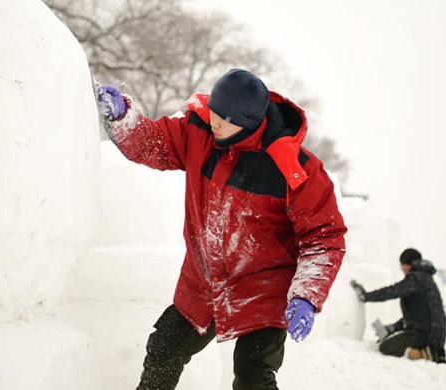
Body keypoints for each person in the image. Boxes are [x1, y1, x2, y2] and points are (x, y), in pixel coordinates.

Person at [95, 68, 347, 390]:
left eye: (223, 119)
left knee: (252, 376)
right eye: (212, 112)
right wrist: (123, 119)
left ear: (249, 122)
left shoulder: (296, 170)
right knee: (163, 349)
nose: (213, 122)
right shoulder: (198, 133)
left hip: (263, 290)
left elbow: (324, 238)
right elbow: (154, 143)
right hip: (204, 283)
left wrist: (306, 296)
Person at [351, 248, 446, 363]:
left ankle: (427, 355)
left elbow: (393, 291)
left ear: (407, 265)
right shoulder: (425, 279)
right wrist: (393, 328)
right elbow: (419, 315)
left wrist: (366, 296)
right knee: (391, 342)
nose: (402, 269)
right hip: (434, 335)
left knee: (387, 347)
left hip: (426, 336)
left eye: (402, 265)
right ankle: (429, 351)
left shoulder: (415, 279)